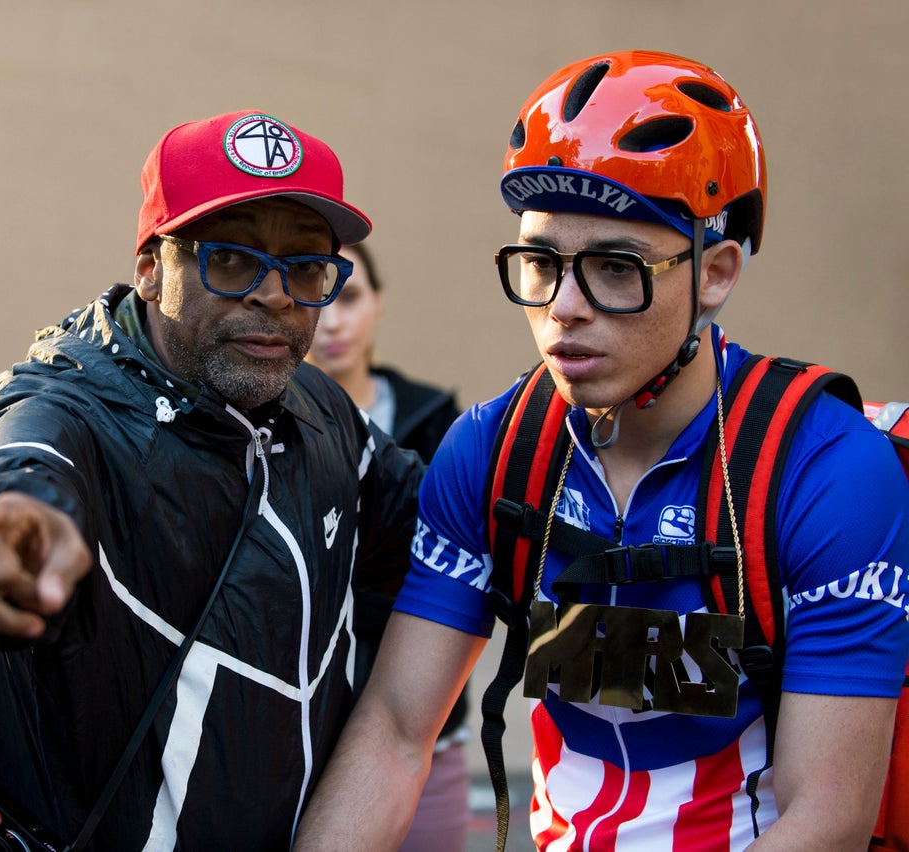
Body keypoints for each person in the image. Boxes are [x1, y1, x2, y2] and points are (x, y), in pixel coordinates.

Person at [295, 50, 909, 850]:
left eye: (616, 268)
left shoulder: (826, 471)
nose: (564, 309)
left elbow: (825, 817)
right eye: (541, 262)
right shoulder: (493, 451)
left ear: (717, 271)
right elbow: (397, 728)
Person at [0, 109, 425, 851]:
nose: (276, 294)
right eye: (232, 260)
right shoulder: (72, 405)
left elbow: (443, 519)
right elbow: (22, 470)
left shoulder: (321, 409)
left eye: (307, 267)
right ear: (151, 268)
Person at [305, 242, 470, 852]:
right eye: (317, 299)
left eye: (348, 297)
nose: (333, 322)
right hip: (301, 739)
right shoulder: (262, 434)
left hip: (425, 736)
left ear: (376, 303)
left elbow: (449, 575)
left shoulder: (434, 421)